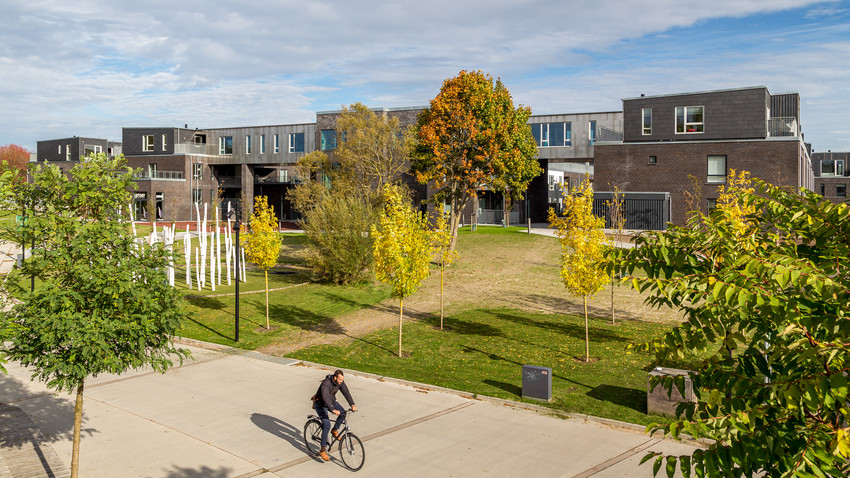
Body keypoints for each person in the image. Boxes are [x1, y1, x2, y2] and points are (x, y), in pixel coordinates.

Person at [311, 369, 357, 461]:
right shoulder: (326, 383)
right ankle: (323, 450)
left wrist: (352, 404)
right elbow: (325, 397)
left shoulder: (340, 382)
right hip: (320, 404)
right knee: (326, 424)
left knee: (343, 414)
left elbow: (346, 392)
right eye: (340, 380)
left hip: (331, 402)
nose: (341, 382)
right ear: (335, 377)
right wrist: (333, 410)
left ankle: (335, 430)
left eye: (342, 380)